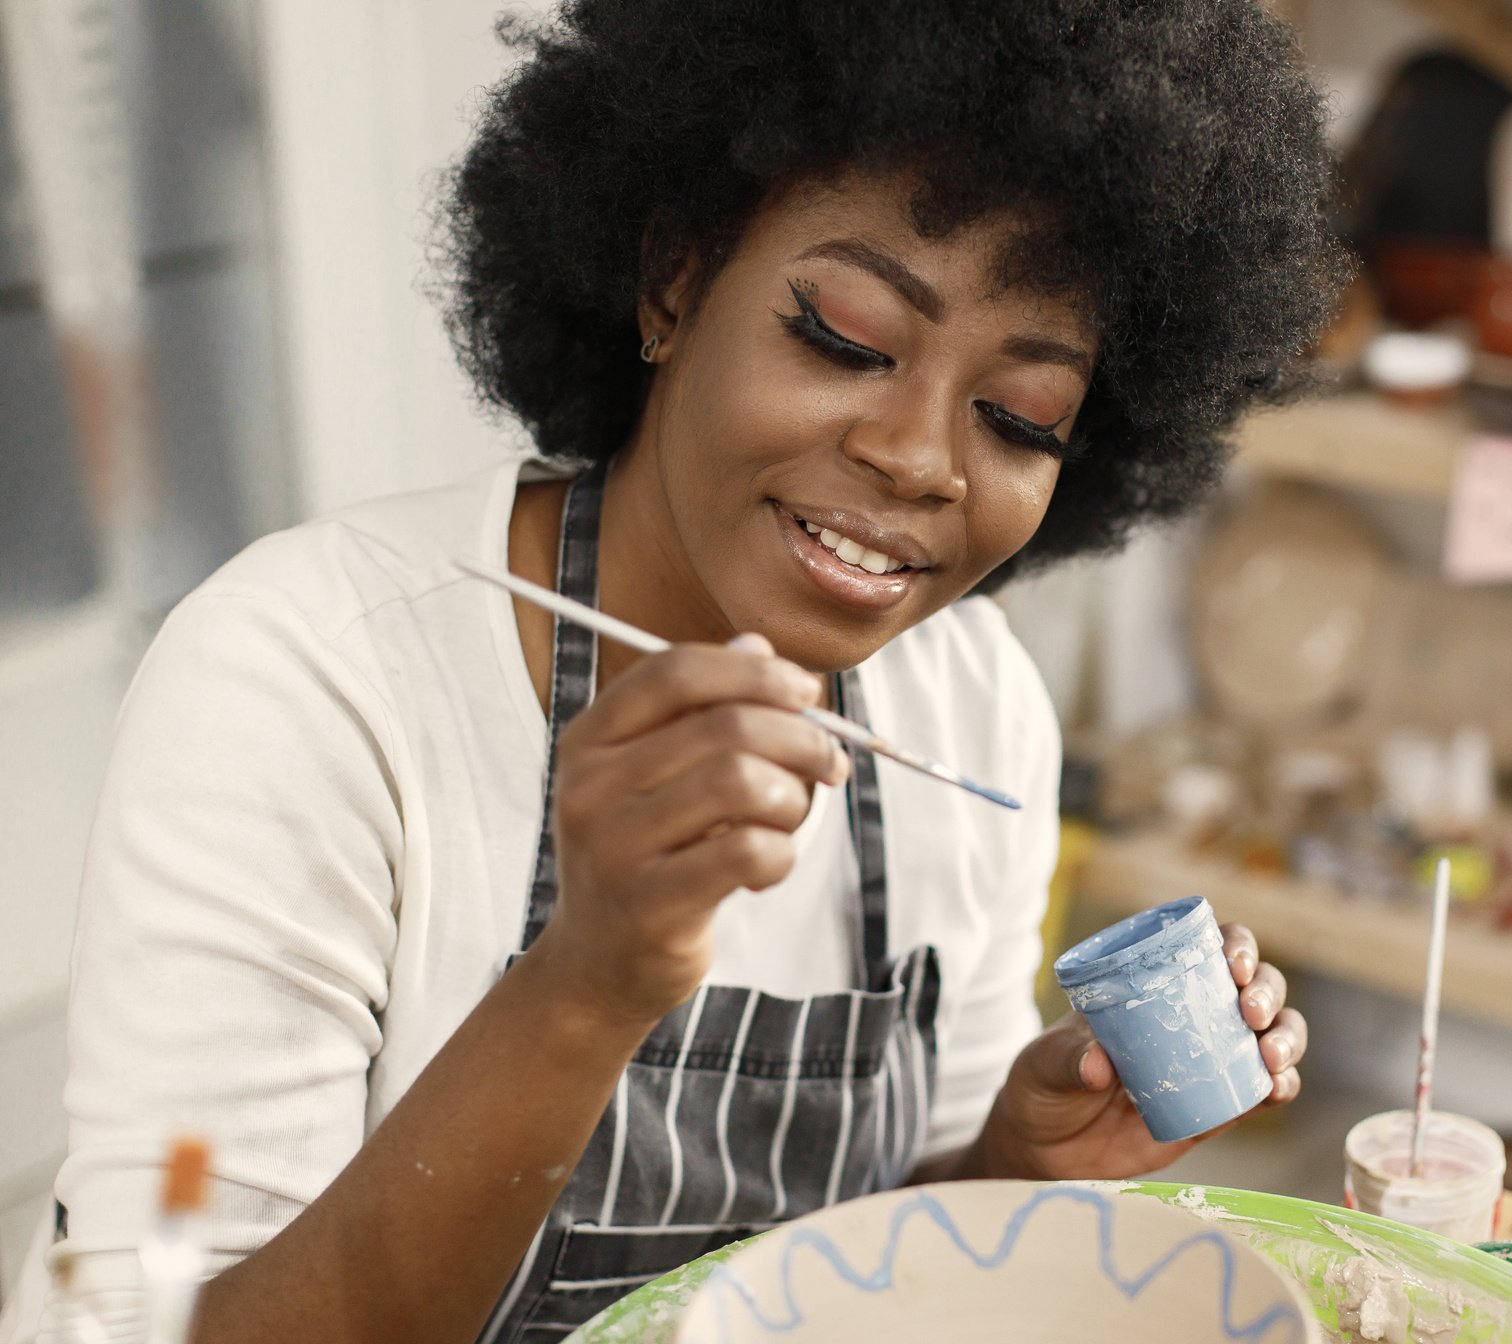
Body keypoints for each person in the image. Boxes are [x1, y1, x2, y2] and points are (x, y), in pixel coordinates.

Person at [39, 2, 1340, 1340]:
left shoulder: (969, 701)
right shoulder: (302, 683)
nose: (921, 458)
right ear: (672, 281)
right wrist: (590, 979)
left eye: (1020, 418)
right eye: (847, 338)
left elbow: (903, 1252)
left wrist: (1014, 1167)